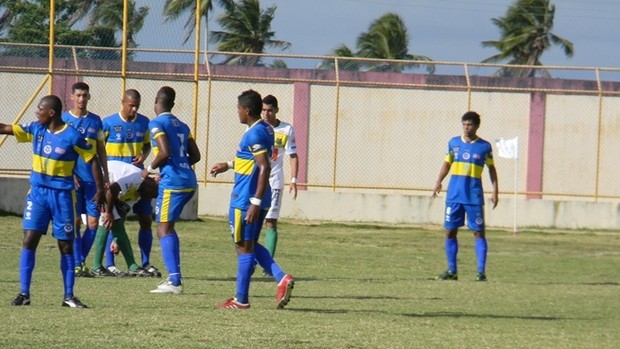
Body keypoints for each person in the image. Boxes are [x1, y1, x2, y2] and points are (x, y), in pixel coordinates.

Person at [2, 95, 103, 308]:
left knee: (65, 246)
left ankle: (69, 296)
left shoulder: (72, 136)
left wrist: (101, 188)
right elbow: (5, 128)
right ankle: (24, 293)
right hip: (38, 194)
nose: (36, 112)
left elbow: (91, 159)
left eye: (40, 109)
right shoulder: (36, 129)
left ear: (51, 113)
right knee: (29, 239)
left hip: (62, 197)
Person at [210, 89, 294, 310]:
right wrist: (228, 165)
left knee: (243, 247)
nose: (237, 112)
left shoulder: (254, 133)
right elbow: (251, 159)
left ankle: (241, 300)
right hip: (259, 196)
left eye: (238, 109)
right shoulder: (265, 128)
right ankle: (281, 278)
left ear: (246, 110)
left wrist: (254, 203)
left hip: (246, 199)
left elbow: (263, 166)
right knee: (251, 244)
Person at [431, 111, 499, 282]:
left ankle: (481, 273)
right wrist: (438, 181)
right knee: (449, 231)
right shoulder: (454, 143)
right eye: (464, 124)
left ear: (476, 126)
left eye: (469, 125)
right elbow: (447, 163)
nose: (466, 128)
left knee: (478, 233)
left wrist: (495, 190)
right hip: (454, 195)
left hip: (474, 197)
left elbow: (491, 169)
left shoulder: (484, 146)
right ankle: (452, 271)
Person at [146, 86, 201, 294]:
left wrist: (148, 170)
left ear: (156, 102)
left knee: (163, 229)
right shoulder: (183, 125)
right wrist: (179, 164)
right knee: (168, 227)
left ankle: (175, 282)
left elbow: (164, 151)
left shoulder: (157, 123)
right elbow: (195, 156)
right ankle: (174, 278)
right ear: (173, 104)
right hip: (188, 179)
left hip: (173, 183)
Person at [102, 89, 160, 277]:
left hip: (138, 182)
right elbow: (97, 148)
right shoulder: (108, 123)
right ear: (123, 102)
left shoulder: (144, 123)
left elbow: (147, 144)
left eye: (137, 106)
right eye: (131, 105)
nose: (134, 109)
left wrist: (143, 155)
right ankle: (110, 264)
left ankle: (145, 262)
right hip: (115, 179)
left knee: (145, 220)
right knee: (114, 218)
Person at [61, 82, 108, 277]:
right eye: (78, 95)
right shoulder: (63, 119)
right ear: (72, 97)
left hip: (92, 181)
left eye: (85, 95)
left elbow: (100, 150)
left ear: (89, 97)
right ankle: (78, 264)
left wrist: (105, 176)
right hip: (72, 180)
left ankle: (79, 261)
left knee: (93, 224)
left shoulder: (96, 121)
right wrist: (70, 173)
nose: (81, 99)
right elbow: (61, 150)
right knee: (74, 223)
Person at [90, 160, 158, 278]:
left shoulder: (139, 194)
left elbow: (122, 212)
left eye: (153, 196)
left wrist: (116, 240)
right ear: (149, 182)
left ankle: (132, 267)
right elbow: (112, 190)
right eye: (152, 192)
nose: (150, 197)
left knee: (116, 224)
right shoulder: (137, 178)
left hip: (107, 187)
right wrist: (108, 213)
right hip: (96, 179)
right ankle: (97, 267)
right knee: (105, 221)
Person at [259, 95, 299, 276]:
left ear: (276, 110)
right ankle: (250, 260)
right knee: (250, 221)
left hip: (274, 181)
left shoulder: (286, 129)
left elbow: (293, 155)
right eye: (263, 110)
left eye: (269, 110)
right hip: (256, 180)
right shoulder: (256, 128)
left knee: (271, 222)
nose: (266, 114)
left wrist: (293, 180)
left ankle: (268, 267)